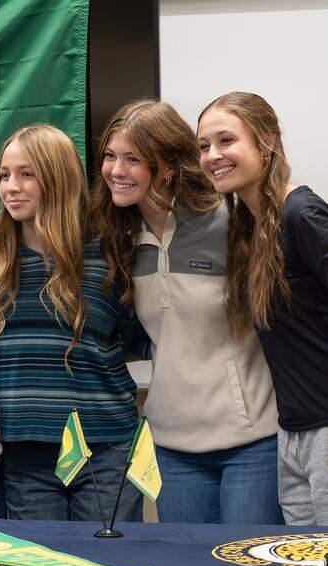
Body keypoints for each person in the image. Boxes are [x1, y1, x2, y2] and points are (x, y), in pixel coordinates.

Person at [93, 99, 281, 524]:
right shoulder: (119, 240)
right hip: (172, 446)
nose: (115, 171)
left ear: (169, 166)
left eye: (133, 160)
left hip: (253, 441)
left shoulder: (230, 223)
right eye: (110, 157)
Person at [0, 124, 150, 522]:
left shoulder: (109, 254)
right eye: (4, 175)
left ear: (58, 178)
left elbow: (141, 338)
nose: (10, 187)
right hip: (24, 450)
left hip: (107, 446)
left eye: (26, 174)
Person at [198, 92, 328, 525]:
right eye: (204, 146)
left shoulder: (302, 213)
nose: (213, 156)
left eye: (226, 141)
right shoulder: (249, 228)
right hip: (292, 432)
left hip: (325, 431)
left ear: (267, 141)